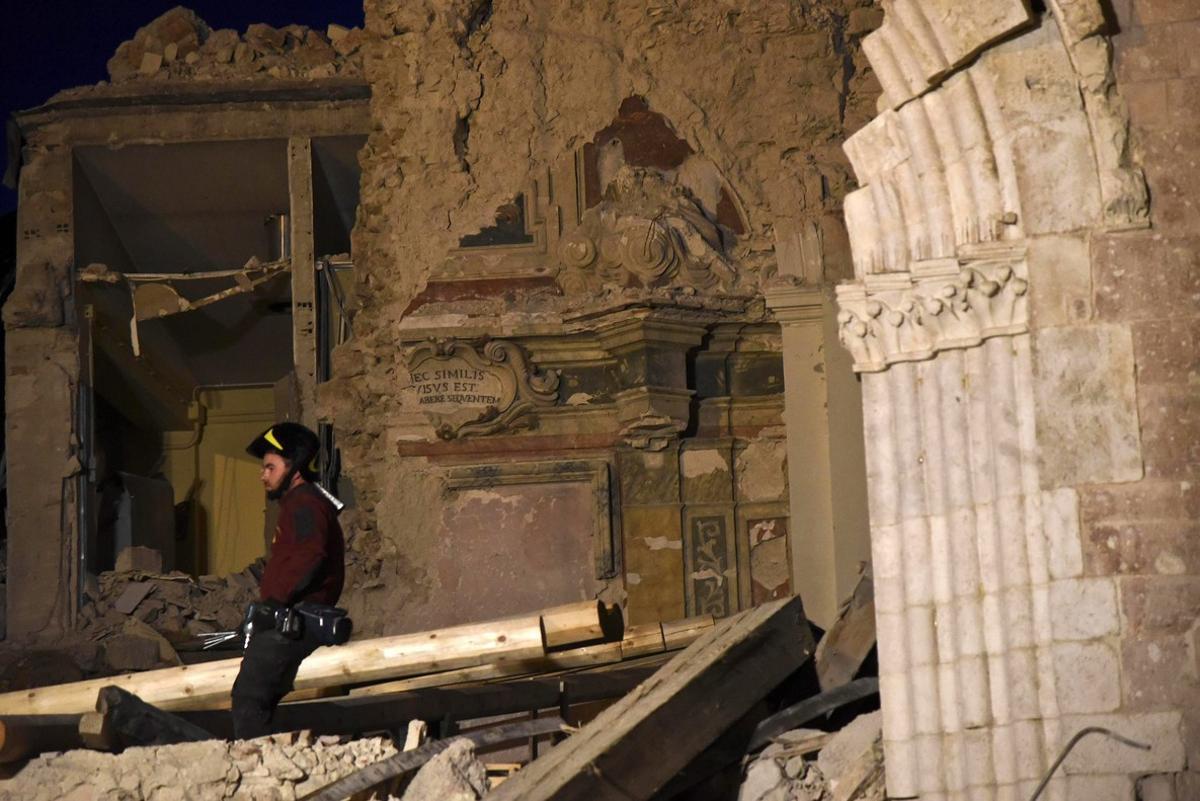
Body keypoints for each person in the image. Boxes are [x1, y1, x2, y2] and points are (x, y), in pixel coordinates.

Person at [230, 422, 345, 739]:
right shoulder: (299, 503)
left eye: (270, 467)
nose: (263, 475)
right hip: (294, 617)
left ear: (293, 467)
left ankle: (257, 765)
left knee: (248, 696)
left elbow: (310, 555)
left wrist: (273, 604)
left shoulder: (305, 503)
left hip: (299, 622)